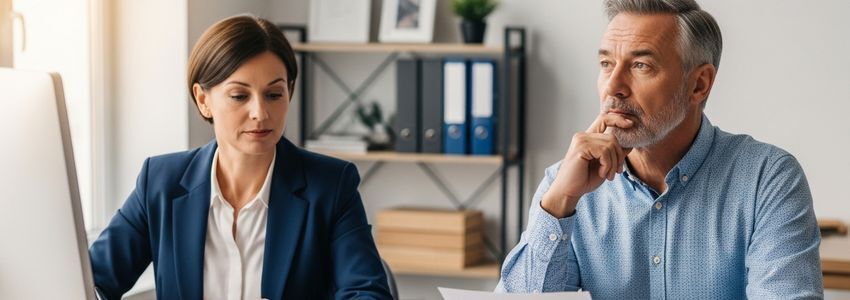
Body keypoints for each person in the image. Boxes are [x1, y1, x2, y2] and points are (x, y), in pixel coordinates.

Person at [497, 0, 823, 299]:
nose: (613, 86)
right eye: (606, 63)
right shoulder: (564, 184)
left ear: (699, 84)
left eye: (641, 65)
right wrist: (560, 202)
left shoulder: (767, 179)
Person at [89, 15, 392, 300]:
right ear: (203, 100)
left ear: (289, 92)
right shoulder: (160, 182)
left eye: (274, 95)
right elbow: (91, 283)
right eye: (239, 96)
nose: (260, 113)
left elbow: (367, 293)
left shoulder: (330, 186)